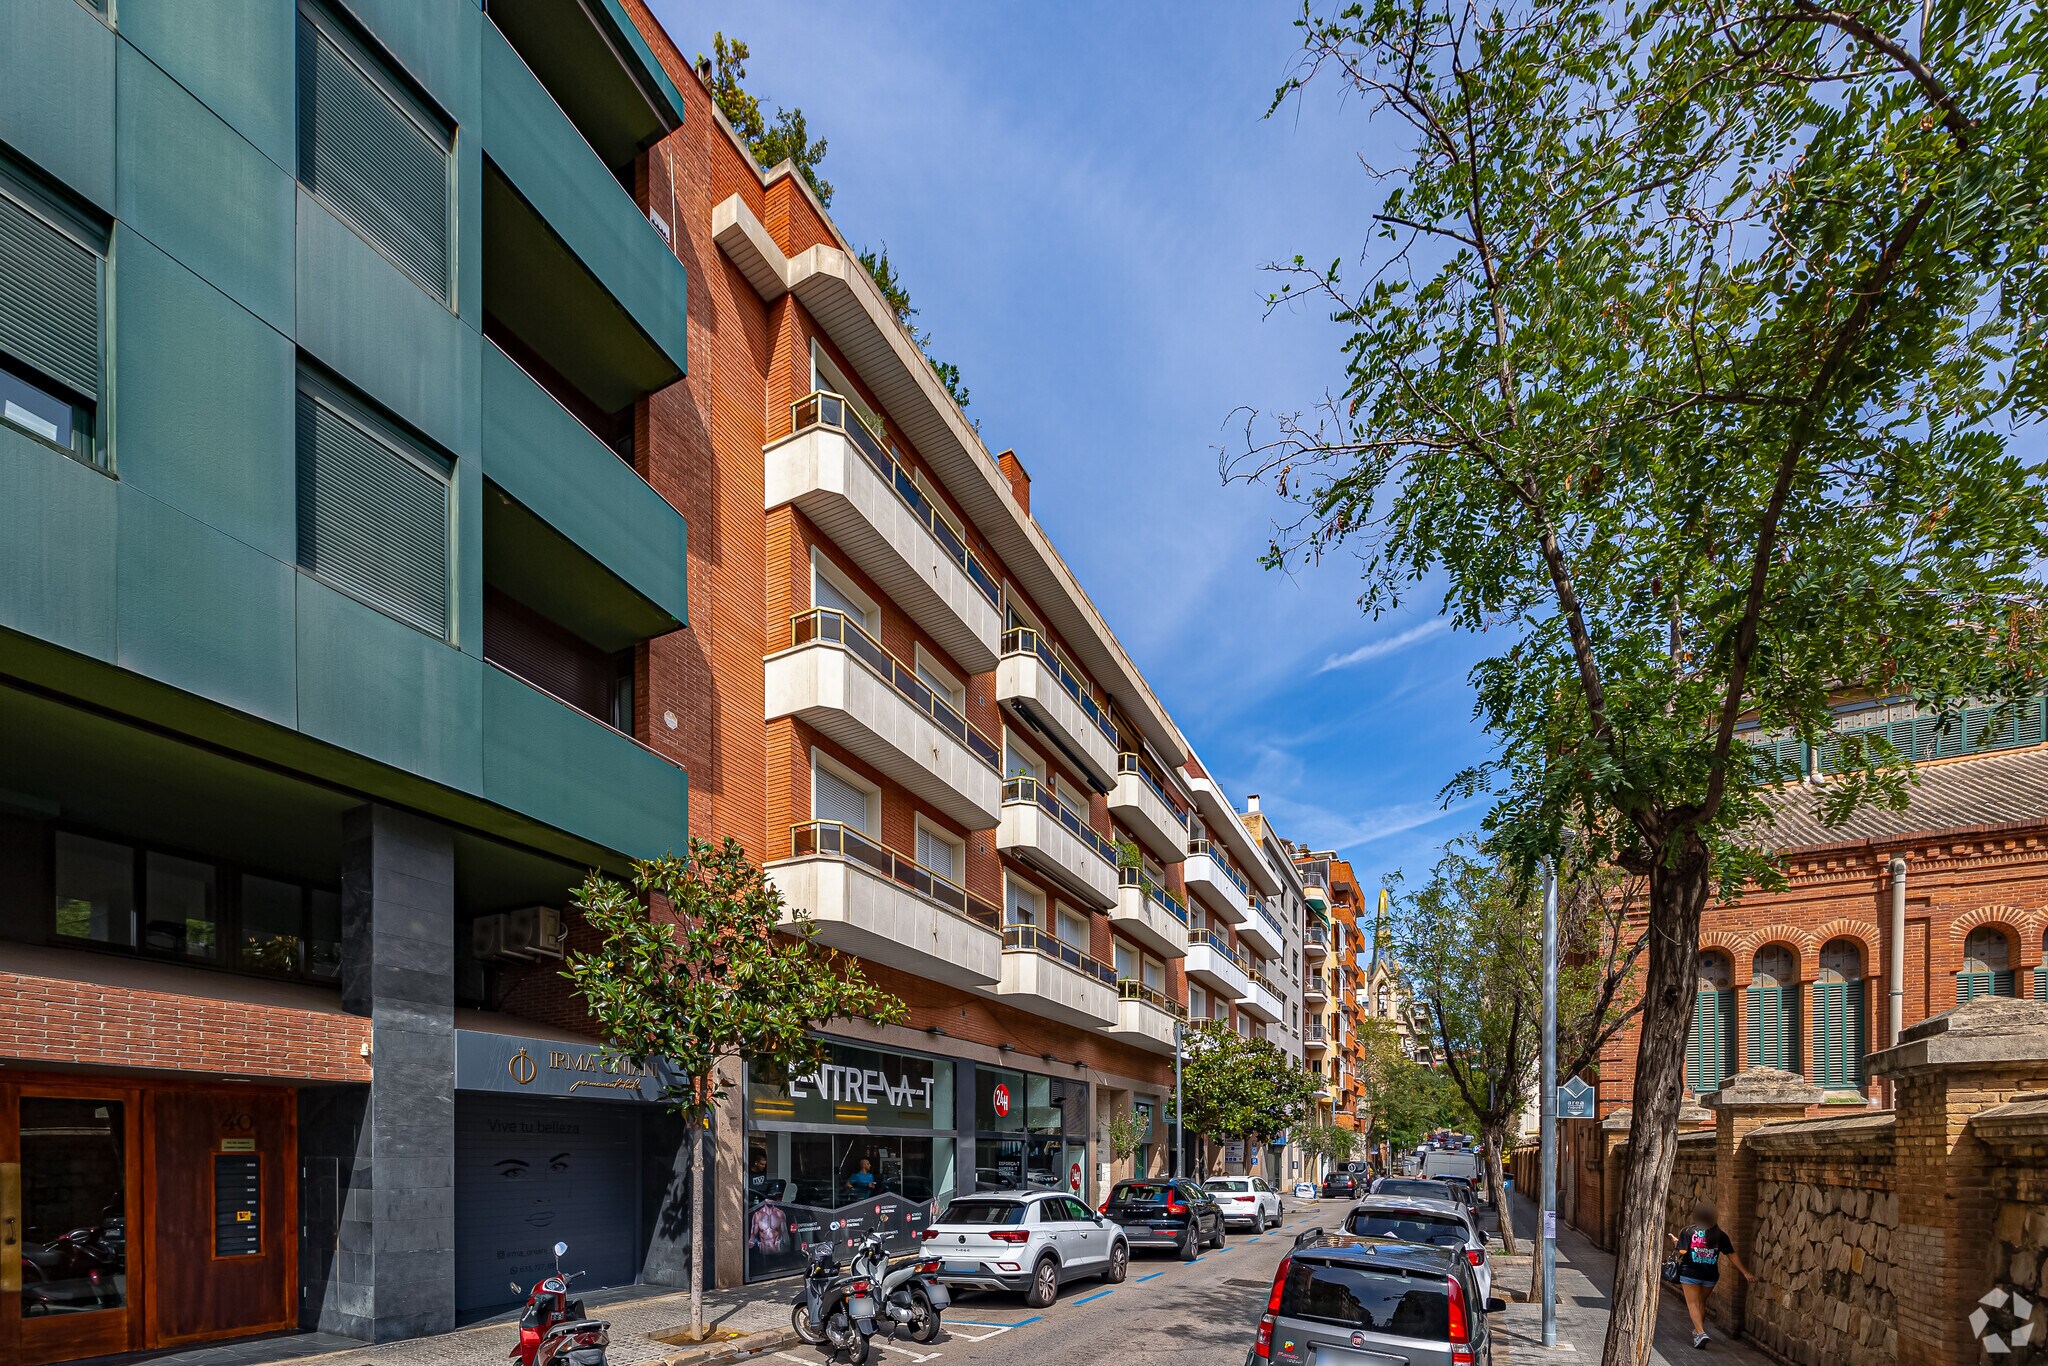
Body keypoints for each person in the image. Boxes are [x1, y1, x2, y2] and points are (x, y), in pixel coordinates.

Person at [1668, 1201, 1752, 1348]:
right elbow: (1731, 1254)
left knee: (1693, 1304)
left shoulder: (1688, 1231)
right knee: (1701, 1303)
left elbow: (1682, 1251)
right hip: (1710, 1276)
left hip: (1690, 1273)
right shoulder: (1720, 1235)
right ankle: (1697, 1332)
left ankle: (1701, 1333)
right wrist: (1745, 1272)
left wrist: (1676, 1241)